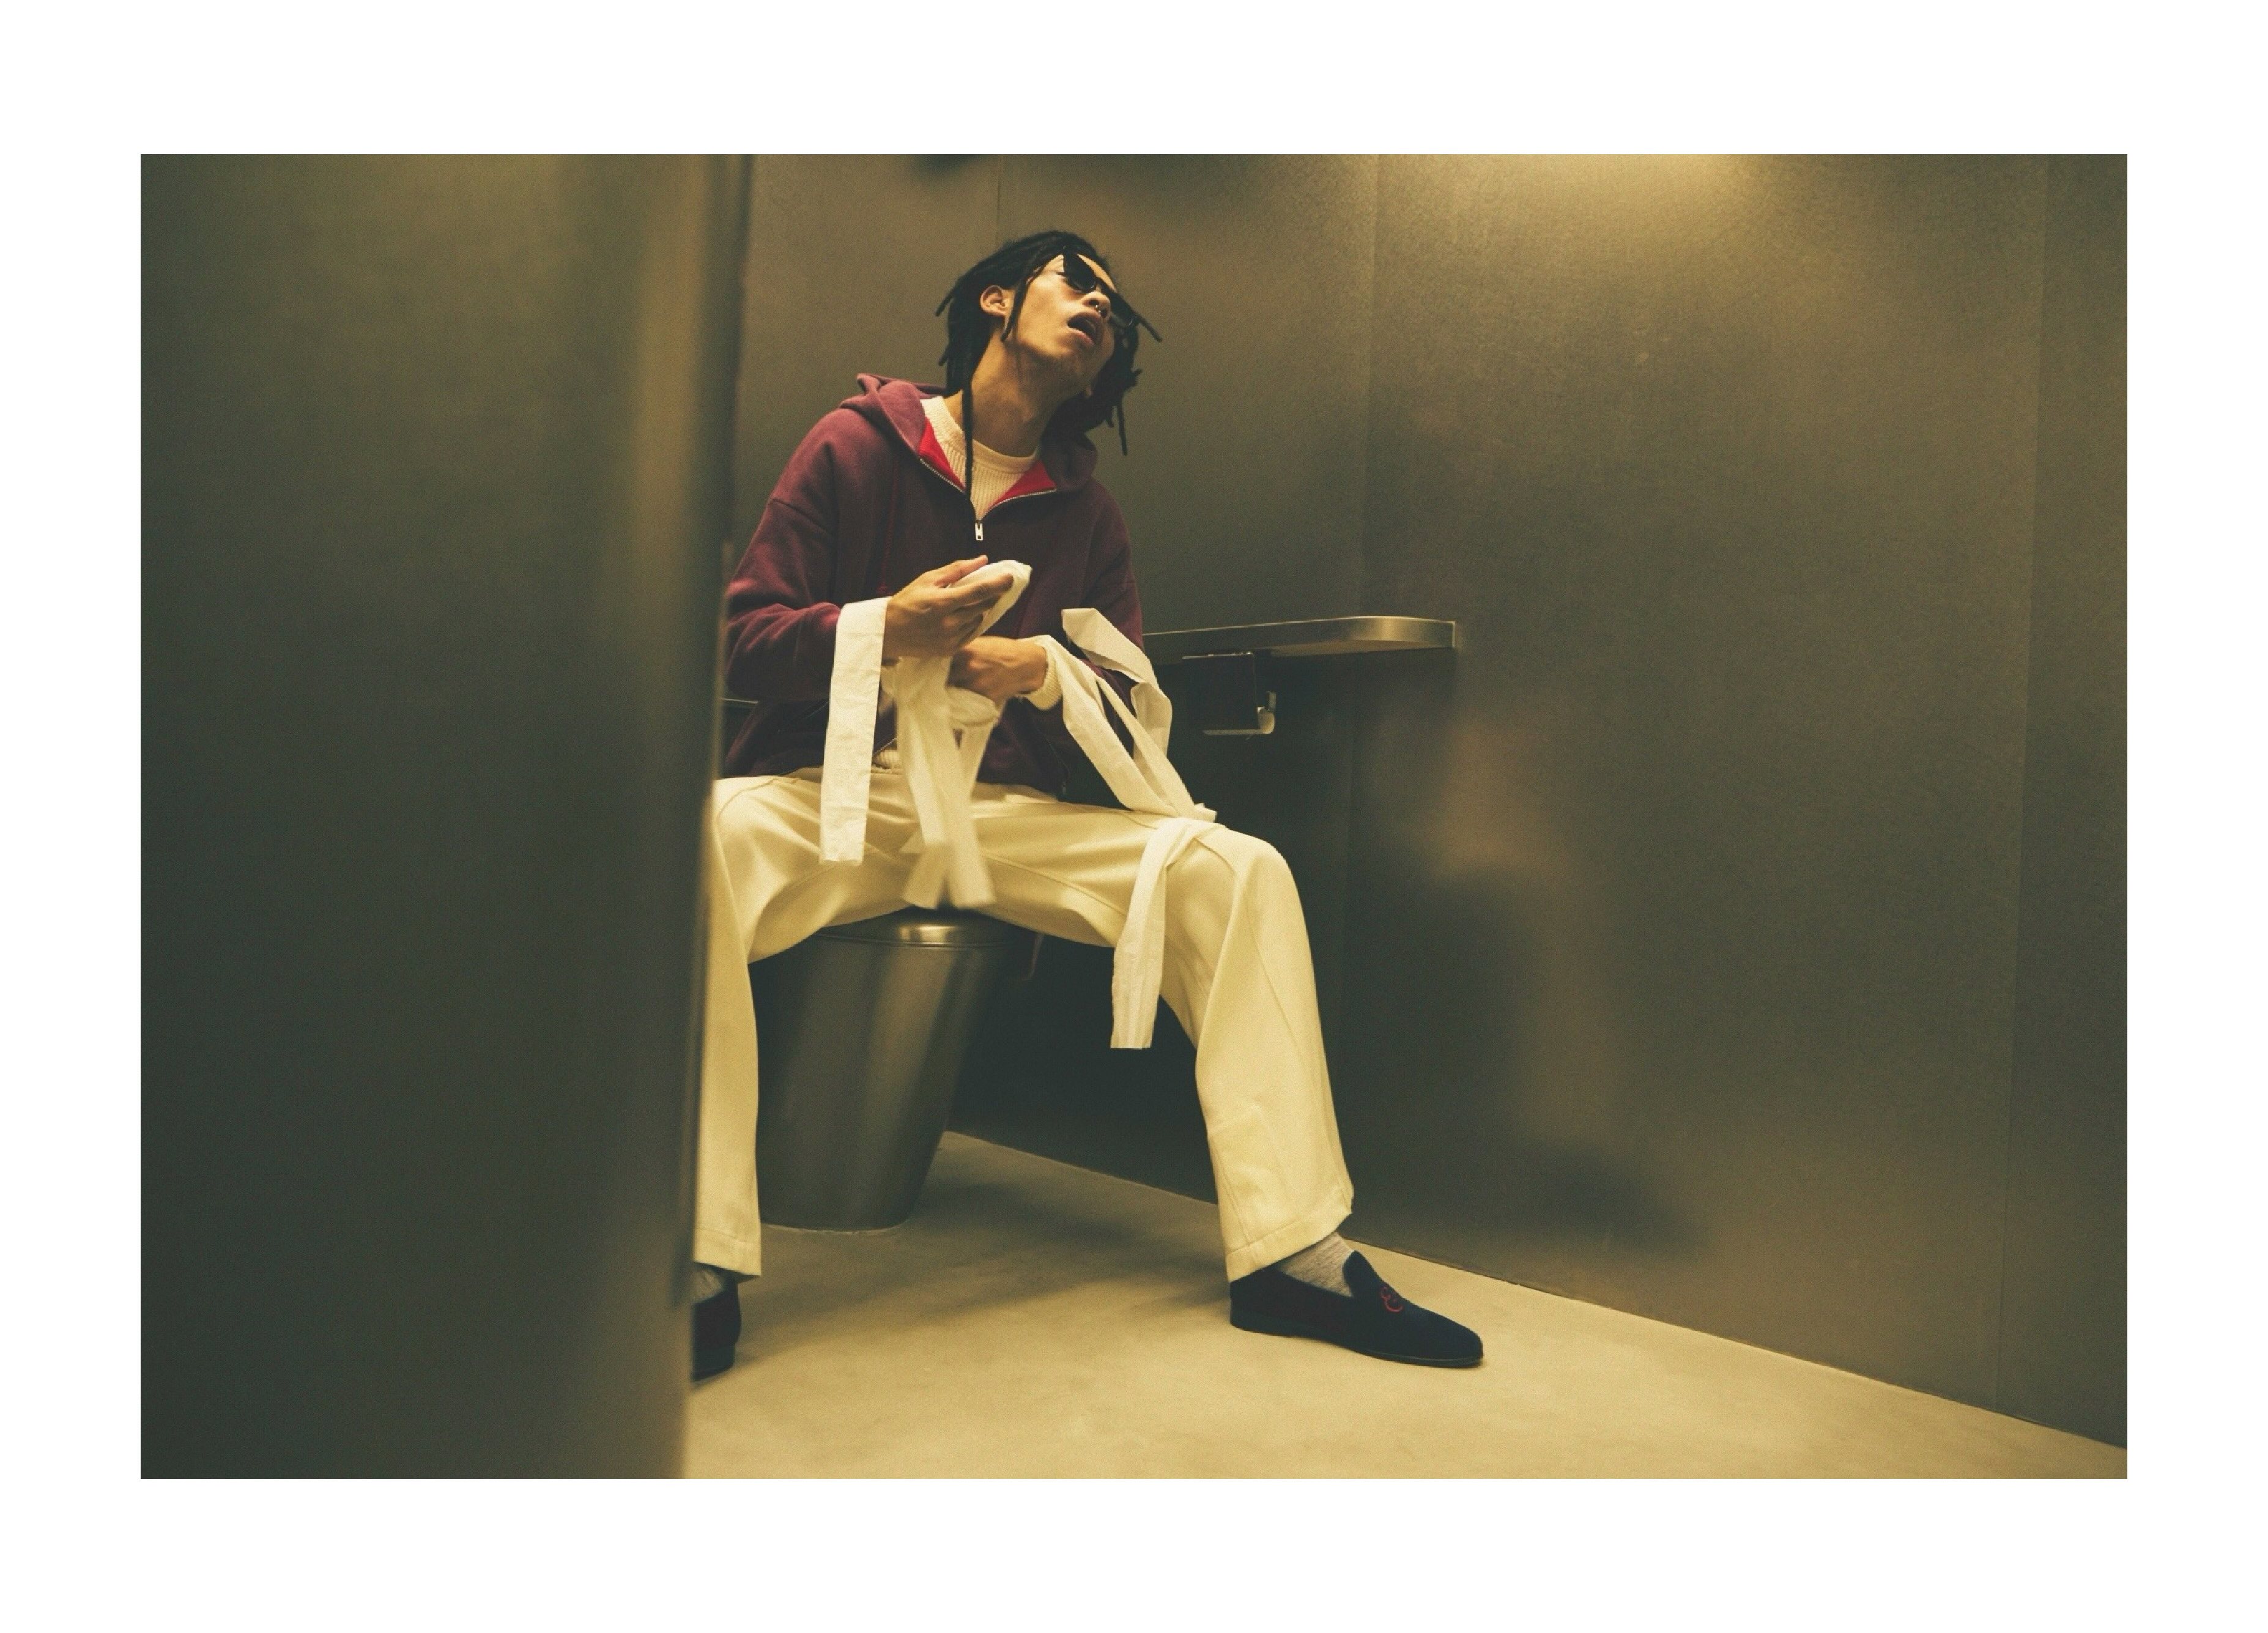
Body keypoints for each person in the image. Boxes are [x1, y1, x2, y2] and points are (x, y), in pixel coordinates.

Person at [692, 229, 1480, 1381]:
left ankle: (1292, 1252)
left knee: (1237, 872)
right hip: (843, 793)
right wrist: (884, 627)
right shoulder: (855, 447)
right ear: (996, 299)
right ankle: (698, 1257)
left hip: (1005, 812)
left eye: (1116, 308)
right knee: (699, 845)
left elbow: (1124, 700)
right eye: (1078, 282)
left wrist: (1045, 673)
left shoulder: (1087, 515)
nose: (1101, 307)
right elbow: (741, 638)